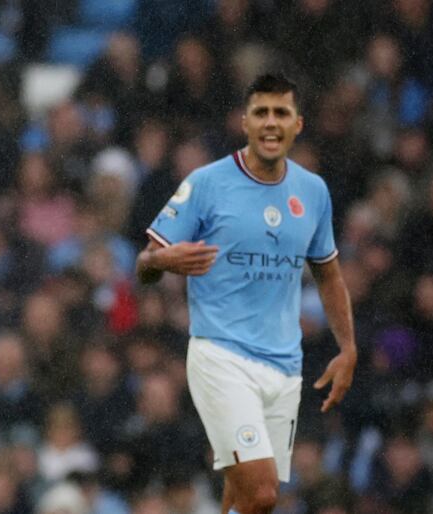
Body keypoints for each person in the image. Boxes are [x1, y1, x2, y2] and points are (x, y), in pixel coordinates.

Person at [135, 73, 357, 514]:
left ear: (298, 124)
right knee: (261, 492)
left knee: (243, 496)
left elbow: (329, 275)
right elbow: (144, 264)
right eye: (261, 112)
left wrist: (348, 347)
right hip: (221, 356)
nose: (271, 122)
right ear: (245, 122)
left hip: (284, 363)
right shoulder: (206, 183)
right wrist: (161, 262)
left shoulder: (313, 192)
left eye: (281, 113)